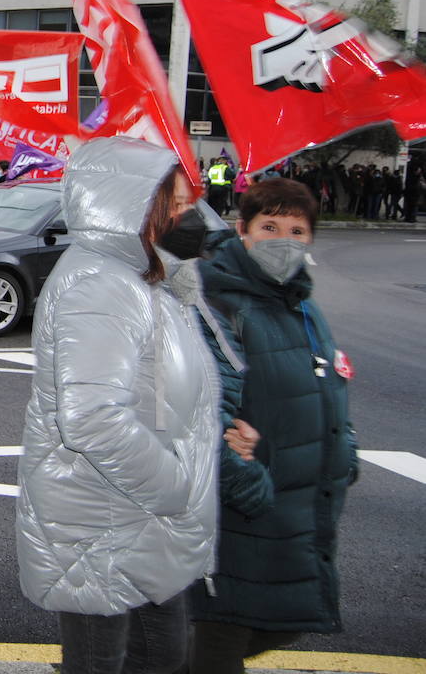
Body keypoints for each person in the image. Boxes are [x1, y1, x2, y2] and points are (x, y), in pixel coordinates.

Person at [15, 136, 220, 673]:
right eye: (175, 203)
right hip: (102, 520)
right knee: (106, 662)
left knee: (161, 656)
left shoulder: (141, 276)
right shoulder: (99, 284)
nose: (189, 214)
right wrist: (176, 488)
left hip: (138, 514)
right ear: (133, 204)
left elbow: (159, 392)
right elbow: (93, 419)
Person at [186, 178, 356, 671]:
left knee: (277, 621)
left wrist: (343, 452)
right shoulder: (219, 306)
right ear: (242, 230)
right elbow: (202, 412)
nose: (284, 240)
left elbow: (328, 387)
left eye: (297, 229)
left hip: (293, 520)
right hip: (240, 526)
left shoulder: (303, 306)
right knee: (219, 639)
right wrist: (247, 483)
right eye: (270, 226)